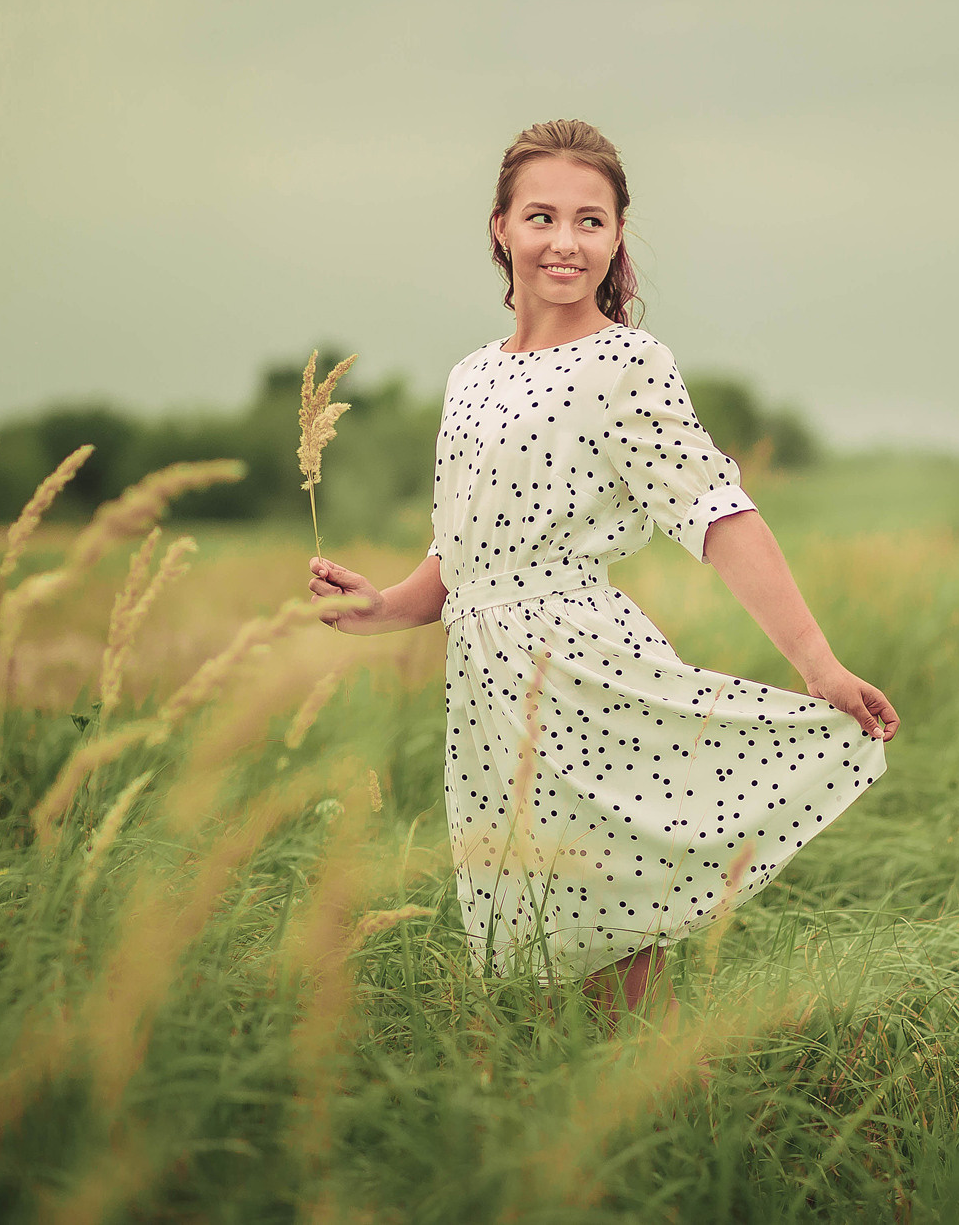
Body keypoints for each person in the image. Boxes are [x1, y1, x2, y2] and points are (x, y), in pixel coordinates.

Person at [307, 118, 896, 1025]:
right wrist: (381, 606)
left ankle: (653, 1126)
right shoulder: (471, 377)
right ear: (500, 226)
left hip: (581, 673)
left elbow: (719, 515)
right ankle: (574, 1130)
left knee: (614, 946)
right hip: (487, 694)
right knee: (536, 951)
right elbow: (458, 558)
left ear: (618, 235)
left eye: (591, 220)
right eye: (542, 216)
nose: (565, 241)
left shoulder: (626, 362)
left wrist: (819, 663)